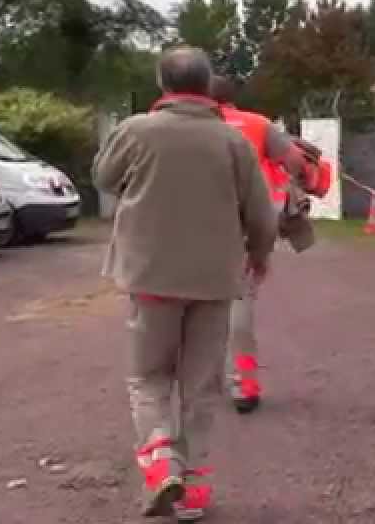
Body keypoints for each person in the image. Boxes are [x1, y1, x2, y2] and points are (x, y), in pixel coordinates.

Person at [94, 47, 277, 521]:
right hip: (214, 280)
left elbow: (104, 178)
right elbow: (260, 213)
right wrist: (259, 256)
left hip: (150, 276)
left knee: (147, 376)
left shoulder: (135, 131)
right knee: (201, 385)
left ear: (163, 84)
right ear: (206, 84)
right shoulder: (232, 141)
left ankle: (159, 464)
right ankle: (193, 491)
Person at [208, 74, 328, 414]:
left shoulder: (181, 127)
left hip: (193, 226)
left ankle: (194, 381)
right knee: (239, 302)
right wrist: (305, 182)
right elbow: (298, 165)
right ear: (233, 98)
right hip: (246, 224)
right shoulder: (256, 125)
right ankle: (244, 384)